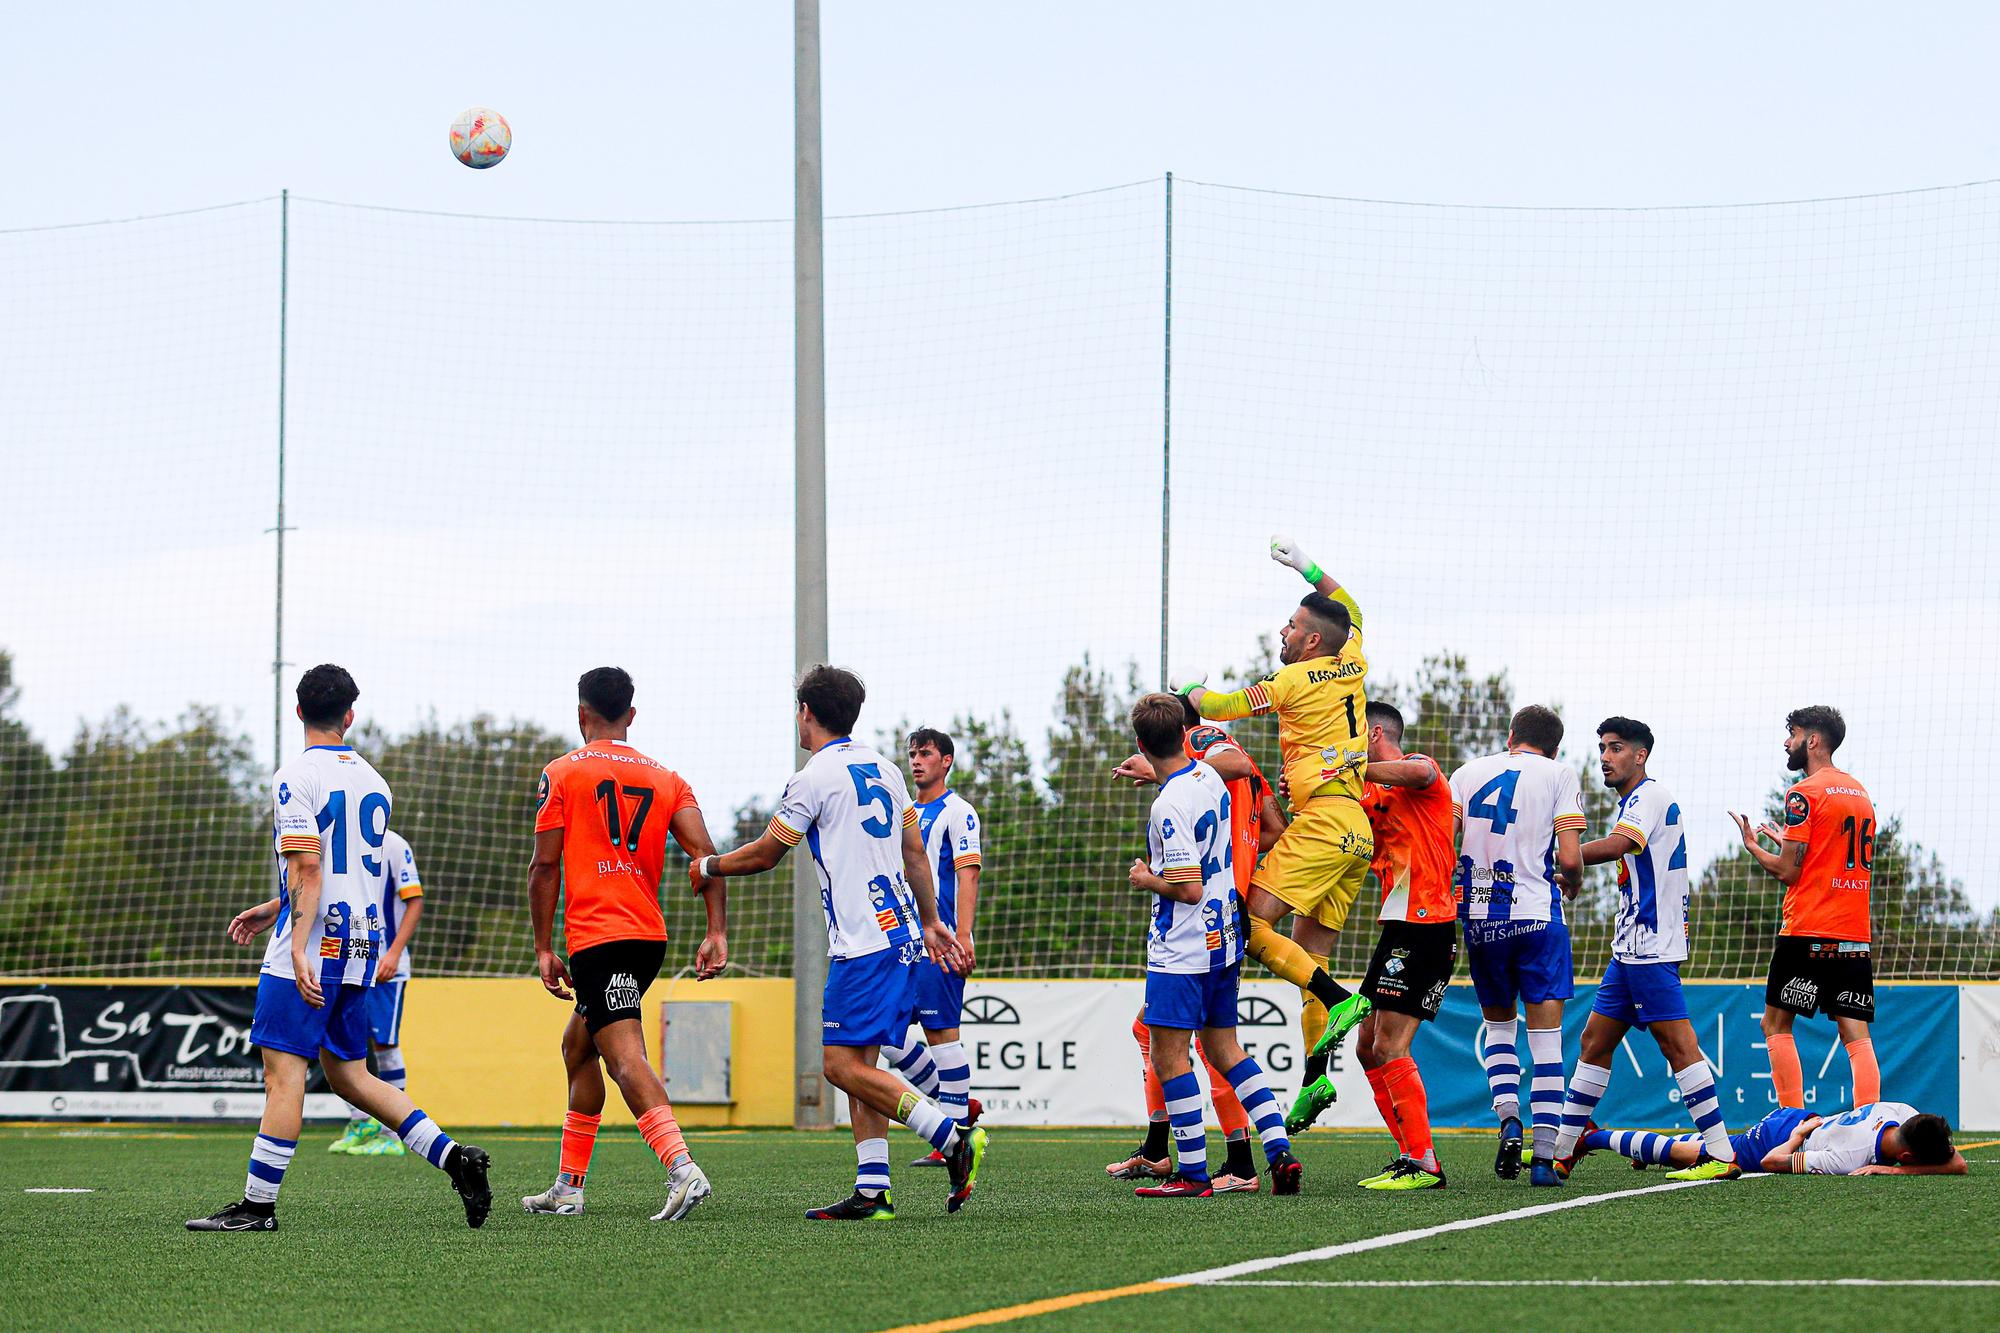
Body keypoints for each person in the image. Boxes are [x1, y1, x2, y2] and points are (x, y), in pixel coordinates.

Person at [187, 665, 490, 1232]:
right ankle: (457, 1159)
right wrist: (275, 905)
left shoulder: (295, 777)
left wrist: (296, 945)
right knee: (353, 1076)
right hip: (361, 945)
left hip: (313, 947)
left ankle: (257, 1207)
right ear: (350, 715)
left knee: (284, 1076)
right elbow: (343, 875)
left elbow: (310, 865)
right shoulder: (376, 782)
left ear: (298, 711)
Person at [692, 666, 985, 1220]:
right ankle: (874, 1190)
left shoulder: (812, 777)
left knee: (837, 1066)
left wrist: (707, 864)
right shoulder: (884, 767)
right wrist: (927, 919)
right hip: (898, 932)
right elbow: (915, 854)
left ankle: (951, 1135)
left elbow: (765, 853)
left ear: (806, 711)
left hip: (863, 942)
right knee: (860, 1060)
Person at [1181, 535, 1375, 1127]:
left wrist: (1186, 690)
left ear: (1312, 640)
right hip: (1356, 829)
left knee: (1250, 922)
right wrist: (1306, 566)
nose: (1283, 633)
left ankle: (1343, 1001)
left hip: (1320, 822)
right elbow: (1354, 610)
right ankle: (1315, 1080)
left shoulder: (1293, 681)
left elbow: (1223, 704)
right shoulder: (1356, 657)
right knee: (1309, 953)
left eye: (1291, 626)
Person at [519, 667, 727, 1222]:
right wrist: (716, 931)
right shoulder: (667, 778)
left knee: (623, 1055)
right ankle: (568, 1187)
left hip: (600, 938)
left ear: (580, 712)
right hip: (647, 936)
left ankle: (683, 1169)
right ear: (631, 716)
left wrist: (543, 947)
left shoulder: (561, 773)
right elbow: (706, 855)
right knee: (578, 1047)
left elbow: (544, 866)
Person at [1105, 697, 1286, 1190]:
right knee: (1225, 1048)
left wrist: (1147, 878)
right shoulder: (1208, 776)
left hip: (1182, 947)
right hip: (1224, 936)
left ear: (1141, 745)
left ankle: (1191, 1172)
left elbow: (1187, 888)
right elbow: (1235, 763)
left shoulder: (1169, 805)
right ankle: (1279, 1148)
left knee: (1168, 1058)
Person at [1551, 719, 1738, 1182]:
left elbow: (1619, 844)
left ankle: (1720, 1153)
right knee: (1594, 1042)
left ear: (1641, 755)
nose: (1605, 757)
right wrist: (1571, 873)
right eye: (1601, 748)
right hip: (1629, 949)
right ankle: (1565, 1144)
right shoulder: (1635, 801)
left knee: (1678, 1046)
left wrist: (1558, 855)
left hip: (1651, 946)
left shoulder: (1647, 797)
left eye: (1616, 748)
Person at [1449, 704, 1586, 1187]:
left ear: (1511, 736)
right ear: (1554, 747)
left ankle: (1508, 1118)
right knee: (1547, 1044)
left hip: (1482, 919)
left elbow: (1446, 840)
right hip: (1536, 916)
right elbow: (1569, 857)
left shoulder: (1465, 773)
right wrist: (1573, 881)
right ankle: (1544, 1158)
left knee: (1499, 1033)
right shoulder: (1559, 774)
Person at [1730, 706, 1879, 1109]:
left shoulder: (1803, 793)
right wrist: (1788, 844)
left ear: (1812, 740)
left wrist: (1754, 846)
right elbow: (1826, 857)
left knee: (1775, 1023)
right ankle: (1870, 1124)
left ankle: (1790, 1122)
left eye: (1792, 733)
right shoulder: (1860, 793)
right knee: (1855, 1032)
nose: (1787, 742)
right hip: (1852, 933)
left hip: (1809, 929)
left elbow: (1788, 873)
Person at [1345, 703, 1459, 1190]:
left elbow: (1416, 771)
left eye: (1352, 735)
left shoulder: (1422, 770)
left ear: (1373, 734)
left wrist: (1344, 763)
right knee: (1367, 1047)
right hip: (1398, 927)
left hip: (1427, 923)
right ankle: (1408, 1154)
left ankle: (1424, 1162)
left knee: (1391, 1043)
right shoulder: (1367, 790)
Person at [886, 728, 985, 1169]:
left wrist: (962, 935)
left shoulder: (959, 812)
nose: (916, 761)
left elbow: (968, 873)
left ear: (946, 761)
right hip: (901, 941)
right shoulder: (902, 812)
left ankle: (958, 1134)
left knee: (942, 1034)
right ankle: (959, 1108)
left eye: (925, 753)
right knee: (884, 1038)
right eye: (912, 754)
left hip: (938, 941)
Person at [329, 827, 425, 1157]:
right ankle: (361, 1124)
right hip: (351, 960)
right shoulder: (340, 841)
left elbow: (414, 901)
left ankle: (391, 1132)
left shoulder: (395, 845)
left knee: (385, 1042)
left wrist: (395, 953)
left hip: (386, 965)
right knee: (346, 1041)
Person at [1573, 1102, 1965, 1177]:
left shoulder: (1904, 1112)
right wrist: (1795, 1136)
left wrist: (1887, 1170)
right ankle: (1594, 1137)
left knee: (1715, 1142)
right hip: (1782, 1138)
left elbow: (1956, 1162)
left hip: (1806, 1120)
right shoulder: (1848, 1158)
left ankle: (1646, 1154)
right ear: (1910, 1156)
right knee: (1691, 1154)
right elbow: (1774, 1163)